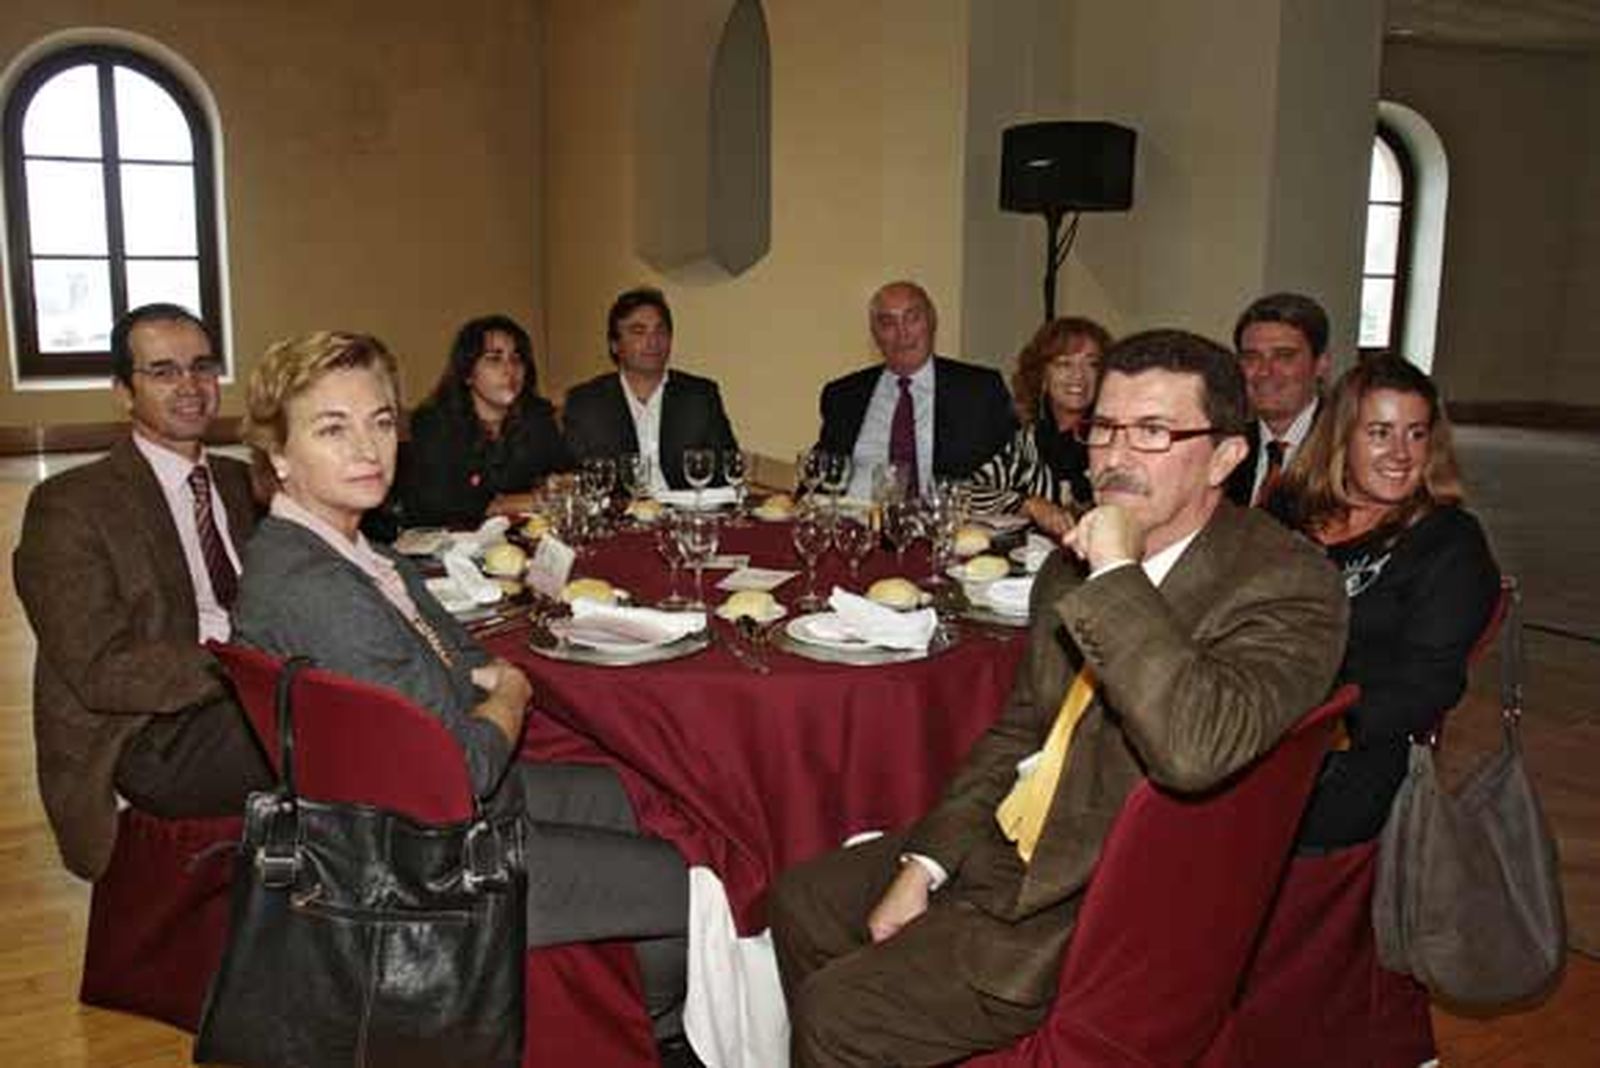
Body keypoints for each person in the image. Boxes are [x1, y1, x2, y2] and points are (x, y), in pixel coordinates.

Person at [769, 329, 1348, 1067]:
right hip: (1022, 834)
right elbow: (1020, 733)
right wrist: (926, 866)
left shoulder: (1286, 585)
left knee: (839, 1014)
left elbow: (1197, 748)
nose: (1114, 457)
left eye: (1154, 432)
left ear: (1227, 457)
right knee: (803, 900)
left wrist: (1115, 571)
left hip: (1107, 899)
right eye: (1105, 428)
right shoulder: (1070, 570)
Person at [230, 331, 692, 1052]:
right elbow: (464, 761)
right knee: (686, 882)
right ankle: (661, 1037)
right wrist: (506, 696)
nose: (368, 448)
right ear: (278, 457)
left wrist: (486, 681)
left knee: (621, 790)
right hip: (420, 862)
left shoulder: (358, 548)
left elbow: (463, 650)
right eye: (333, 428)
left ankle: (627, 1006)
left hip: (408, 812)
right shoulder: (318, 591)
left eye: (381, 421)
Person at [13, 302, 274, 881]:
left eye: (202, 367)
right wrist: (247, 666)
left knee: (363, 711)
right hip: (146, 729)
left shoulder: (241, 483)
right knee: (325, 738)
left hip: (251, 692)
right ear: (123, 393)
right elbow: (101, 668)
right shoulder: (71, 506)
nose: (190, 386)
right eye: (163, 371)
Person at [1271, 354, 1500, 851]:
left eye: (1416, 434)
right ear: (1341, 437)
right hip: (1256, 713)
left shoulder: (1447, 542)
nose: (1401, 453)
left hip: (1351, 750)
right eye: (1380, 432)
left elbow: (1428, 686)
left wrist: (1317, 734)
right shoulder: (1287, 510)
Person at [815, 281, 1016, 499]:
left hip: (943, 525)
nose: (902, 334)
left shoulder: (979, 391)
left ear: (932, 322)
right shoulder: (843, 396)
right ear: (875, 335)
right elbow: (821, 475)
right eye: (887, 323)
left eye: (912, 318)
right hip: (855, 522)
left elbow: (1014, 472)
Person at [397, 314, 571, 528]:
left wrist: (562, 483)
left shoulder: (537, 415)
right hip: (451, 548)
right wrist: (527, 500)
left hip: (523, 539)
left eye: (516, 359)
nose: (510, 370)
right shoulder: (434, 423)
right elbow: (441, 505)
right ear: (467, 373)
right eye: (494, 359)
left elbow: (565, 471)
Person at [562, 287, 738, 492]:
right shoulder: (586, 402)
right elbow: (576, 479)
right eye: (638, 331)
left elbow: (727, 472)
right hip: (619, 518)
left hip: (686, 515)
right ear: (614, 345)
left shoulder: (700, 396)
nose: (652, 341)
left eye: (660, 331)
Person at [967, 316, 1113, 533]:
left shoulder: (1115, 439)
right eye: (1064, 363)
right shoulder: (1029, 441)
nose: (1079, 376)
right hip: (1035, 562)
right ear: (1042, 375)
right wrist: (1029, 504)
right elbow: (965, 493)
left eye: (1091, 364)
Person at [1227, 291, 1332, 507]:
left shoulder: (1345, 446)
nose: (1265, 371)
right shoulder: (1226, 448)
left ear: (1321, 364)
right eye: (1251, 358)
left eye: (1284, 356)